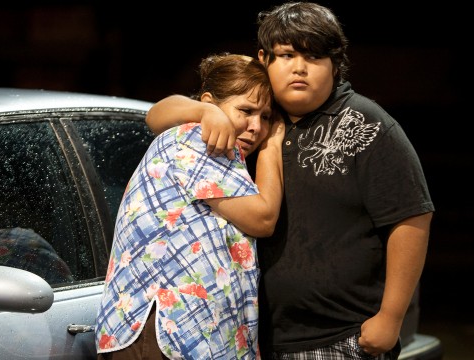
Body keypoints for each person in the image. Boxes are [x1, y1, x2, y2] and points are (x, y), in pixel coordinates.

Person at [144, 3, 435, 360]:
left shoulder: (367, 124)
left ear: (335, 64)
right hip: (251, 337)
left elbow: (411, 217)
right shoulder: (252, 121)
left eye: (313, 56)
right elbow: (157, 114)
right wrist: (204, 110)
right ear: (264, 59)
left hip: (340, 337)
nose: (299, 67)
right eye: (287, 55)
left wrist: (390, 318)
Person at [95, 53, 284, 360]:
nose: (256, 127)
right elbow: (263, 219)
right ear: (211, 102)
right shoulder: (196, 139)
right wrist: (273, 146)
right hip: (165, 335)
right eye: (246, 111)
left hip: (185, 339)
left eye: (266, 117)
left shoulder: (221, 151)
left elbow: (156, 114)